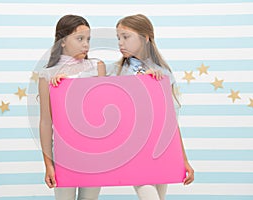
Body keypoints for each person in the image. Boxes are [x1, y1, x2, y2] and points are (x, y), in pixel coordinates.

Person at [109, 14, 194, 200]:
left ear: (145, 37)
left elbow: (170, 121)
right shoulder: (115, 72)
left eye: (126, 37)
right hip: (132, 148)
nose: (120, 43)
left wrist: (183, 160)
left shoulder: (163, 73)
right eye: (118, 38)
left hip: (160, 148)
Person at [38, 14, 106, 200]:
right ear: (62, 41)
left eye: (88, 39)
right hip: (63, 155)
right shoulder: (47, 75)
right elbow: (45, 122)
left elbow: (103, 110)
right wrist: (48, 164)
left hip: (94, 152)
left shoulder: (96, 67)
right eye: (80, 39)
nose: (86, 44)